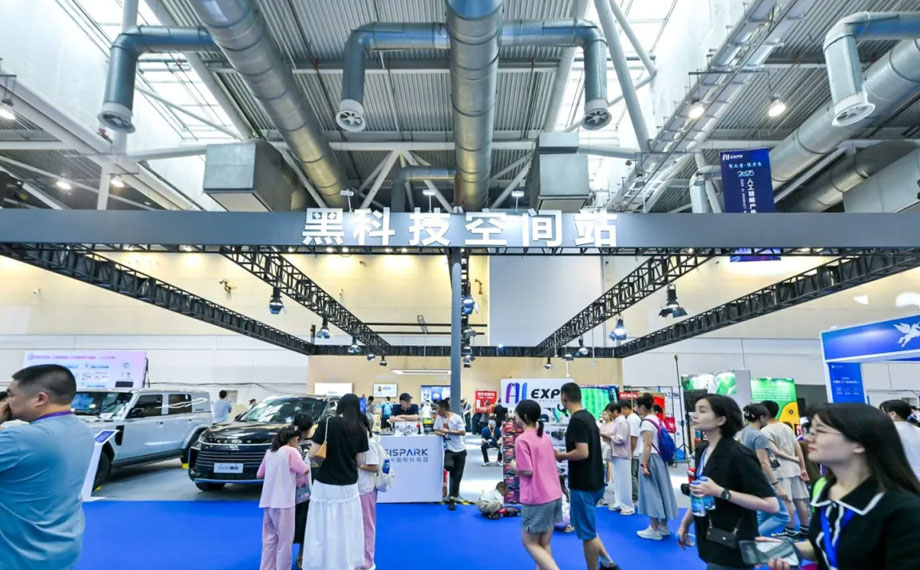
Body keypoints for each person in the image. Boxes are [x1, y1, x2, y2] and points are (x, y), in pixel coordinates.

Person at [766, 404, 920, 570]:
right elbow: (828, 542)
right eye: (810, 430)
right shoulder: (824, 488)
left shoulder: (903, 510)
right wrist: (787, 549)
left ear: (859, 444)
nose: (808, 438)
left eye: (821, 431)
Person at [0, 365, 94, 570]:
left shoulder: (21, 439)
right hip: (60, 548)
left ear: (40, 398)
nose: (7, 402)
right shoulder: (83, 430)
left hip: (17, 555)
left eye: (11, 395)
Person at [676, 395, 780, 570]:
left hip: (734, 541)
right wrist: (685, 524)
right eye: (696, 410)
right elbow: (700, 491)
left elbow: (771, 505)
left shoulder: (739, 455)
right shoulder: (702, 450)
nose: (695, 415)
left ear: (721, 420)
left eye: (702, 411)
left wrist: (721, 492)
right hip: (709, 535)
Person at [554, 382, 620, 570]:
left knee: (587, 535)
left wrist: (560, 455)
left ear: (564, 398)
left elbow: (582, 452)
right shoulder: (589, 417)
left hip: (583, 484)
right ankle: (608, 562)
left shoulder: (577, 421)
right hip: (594, 479)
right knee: (587, 527)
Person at [303, 394, 369, 570]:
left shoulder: (327, 423)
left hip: (325, 484)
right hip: (349, 486)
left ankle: (320, 564)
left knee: (322, 526)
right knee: (346, 527)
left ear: (340, 406)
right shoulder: (360, 429)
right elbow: (360, 462)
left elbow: (312, 454)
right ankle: (345, 563)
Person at [513, 399, 564, 570]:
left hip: (537, 497)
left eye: (516, 414)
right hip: (554, 494)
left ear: (523, 416)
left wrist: (513, 466)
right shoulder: (544, 436)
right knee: (544, 543)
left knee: (530, 543)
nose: (514, 417)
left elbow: (527, 470)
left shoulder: (522, 440)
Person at [257, 425, 310, 570]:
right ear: (294, 439)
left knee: (269, 540)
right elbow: (304, 470)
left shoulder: (270, 453)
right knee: (284, 543)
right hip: (285, 503)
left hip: (267, 501)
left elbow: (259, 474)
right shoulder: (291, 452)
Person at [762, 400, 810, 539]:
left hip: (781, 470)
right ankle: (805, 528)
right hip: (794, 468)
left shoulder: (765, 431)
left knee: (786, 500)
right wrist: (802, 467)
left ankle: (789, 530)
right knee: (799, 500)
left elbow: (775, 451)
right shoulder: (786, 427)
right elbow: (797, 447)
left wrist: (793, 459)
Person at [740, 403, 790, 537]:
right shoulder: (759, 436)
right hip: (762, 479)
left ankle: (753, 540)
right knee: (783, 516)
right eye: (766, 417)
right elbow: (764, 462)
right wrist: (778, 487)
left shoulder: (745, 432)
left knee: (763, 514)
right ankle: (751, 538)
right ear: (761, 417)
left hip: (751, 478)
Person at [636, 392, 680, 540]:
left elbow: (647, 445)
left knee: (651, 492)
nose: (636, 409)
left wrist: (644, 464)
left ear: (642, 407)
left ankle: (653, 528)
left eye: (637, 406)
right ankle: (663, 526)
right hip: (660, 459)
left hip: (651, 459)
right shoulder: (658, 420)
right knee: (663, 490)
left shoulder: (646, 422)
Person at [356, 417, 381, 570]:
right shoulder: (360, 442)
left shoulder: (370, 443)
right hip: (358, 488)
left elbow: (375, 467)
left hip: (366, 489)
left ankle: (367, 562)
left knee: (367, 526)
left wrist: (358, 465)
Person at [434, 398, 467, 510]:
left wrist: (449, 431)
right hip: (449, 449)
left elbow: (463, 432)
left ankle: (452, 498)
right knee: (448, 466)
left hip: (461, 450)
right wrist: (441, 433)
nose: (436, 411)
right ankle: (449, 483)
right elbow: (435, 430)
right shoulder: (439, 418)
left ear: (443, 408)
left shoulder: (456, 418)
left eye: (438, 408)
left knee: (457, 476)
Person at [291, 414, 315, 569]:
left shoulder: (291, 444)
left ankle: (299, 555)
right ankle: (301, 556)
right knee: (304, 523)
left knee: (300, 522)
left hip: (298, 490)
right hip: (304, 490)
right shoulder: (293, 443)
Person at [880, 399, 920, 481]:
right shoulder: (918, 430)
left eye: (883, 412)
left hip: (901, 478)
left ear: (893, 414)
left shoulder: (886, 431)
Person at [610, 403, 635, 515]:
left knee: (624, 482)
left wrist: (608, 436)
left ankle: (628, 506)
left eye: (610, 412)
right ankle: (619, 502)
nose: (609, 414)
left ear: (616, 411)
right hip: (617, 454)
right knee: (618, 481)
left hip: (623, 455)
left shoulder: (622, 422)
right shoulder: (617, 421)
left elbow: (621, 438)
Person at [620, 400, 642, 503]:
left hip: (634, 452)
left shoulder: (632, 419)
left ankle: (635, 496)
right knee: (633, 475)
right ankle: (636, 495)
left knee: (632, 475)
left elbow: (633, 437)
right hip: (634, 451)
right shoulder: (631, 418)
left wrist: (631, 451)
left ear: (625, 408)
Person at [599, 404, 617, 504]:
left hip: (610, 450)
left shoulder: (613, 425)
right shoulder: (601, 425)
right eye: (603, 414)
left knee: (608, 472)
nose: (604, 416)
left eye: (605, 414)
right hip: (601, 451)